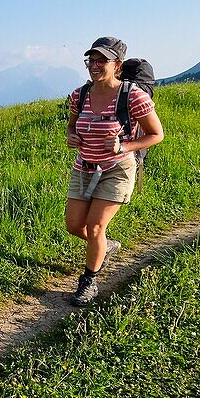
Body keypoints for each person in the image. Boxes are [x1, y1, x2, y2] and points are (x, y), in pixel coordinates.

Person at [65, 36, 164, 306]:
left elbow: (157, 134)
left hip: (116, 169)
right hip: (84, 167)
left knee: (96, 226)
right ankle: (105, 246)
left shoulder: (132, 96)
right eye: (91, 60)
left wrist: (125, 145)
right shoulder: (80, 94)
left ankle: (88, 282)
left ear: (117, 64)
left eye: (102, 61)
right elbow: (71, 127)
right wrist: (72, 136)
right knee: (74, 225)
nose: (94, 65)